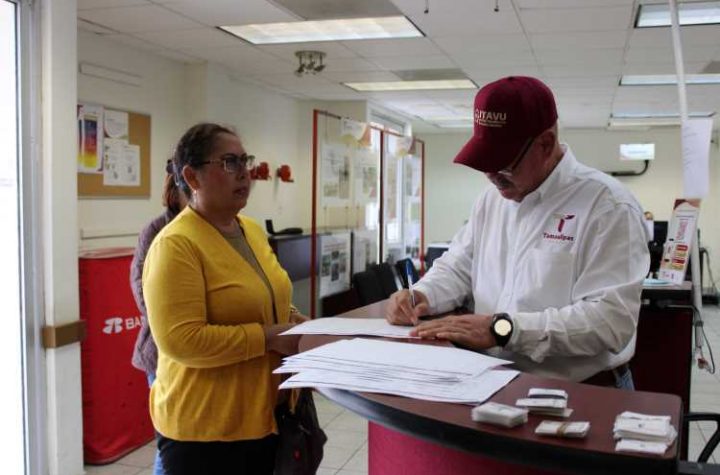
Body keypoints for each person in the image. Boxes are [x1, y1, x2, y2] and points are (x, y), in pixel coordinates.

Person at [386, 76, 649, 389]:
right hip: (494, 380)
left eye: (504, 163)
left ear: (546, 144)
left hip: (583, 390)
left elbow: (610, 321)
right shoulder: (490, 201)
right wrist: (421, 294)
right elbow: (458, 266)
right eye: (484, 163)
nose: (492, 176)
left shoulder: (608, 207)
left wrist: (503, 329)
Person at [142, 123, 306, 475]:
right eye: (230, 162)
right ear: (192, 177)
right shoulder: (176, 244)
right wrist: (269, 337)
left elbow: (267, 295)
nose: (244, 173)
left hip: (264, 417)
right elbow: (182, 341)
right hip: (205, 431)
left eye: (245, 161)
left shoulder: (251, 230)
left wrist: (295, 320)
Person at [130, 161, 189, 475]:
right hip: (163, 351)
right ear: (176, 190)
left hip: (201, 355)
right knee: (172, 441)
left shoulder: (221, 227)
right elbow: (142, 291)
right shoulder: (157, 230)